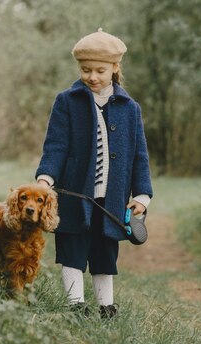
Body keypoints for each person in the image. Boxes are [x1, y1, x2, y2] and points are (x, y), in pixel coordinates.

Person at [35, 28, 153, 319]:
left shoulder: (130, 108)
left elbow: (139, 155)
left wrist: (142, 194)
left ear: (115, 68)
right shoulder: (67, 101)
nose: (93, 77)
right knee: (72, 246)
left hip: (112, 198)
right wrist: (45, 179)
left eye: (100, 70)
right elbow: (56, 146)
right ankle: (75, 306)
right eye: (86, 70)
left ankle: (106, 307)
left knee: (104, 252)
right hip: (74, 193)